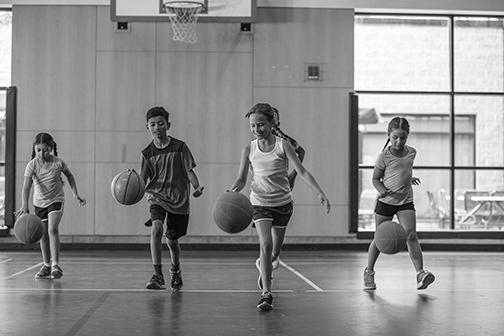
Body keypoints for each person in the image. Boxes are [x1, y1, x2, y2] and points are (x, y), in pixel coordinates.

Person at [229, 102, 330, 310]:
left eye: (261, 124)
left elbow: (302, 171)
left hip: (283, 203)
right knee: (265, 245)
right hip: (259, 203)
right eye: (253, 126)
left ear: (272, 123)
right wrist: (232, 192)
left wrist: (320, 192)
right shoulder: (248, 149)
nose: (257, 129)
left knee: (274, 252)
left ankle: (266, 265)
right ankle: (266, 292)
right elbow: (241, 180)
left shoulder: (283, 146)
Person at [363, 117, 435, 291]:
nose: (399, 141)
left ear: (407, 136)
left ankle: (420, 273)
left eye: (403, 138)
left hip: (405, 201)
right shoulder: (383, 157)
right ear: (389, 135)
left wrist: (410, 178)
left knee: (411, 235)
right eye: (395, 137)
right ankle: (369, 272)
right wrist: (382, 190)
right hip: (386, 202)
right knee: (379, 240)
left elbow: (404, 171)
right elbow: (375, 179)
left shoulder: (412, 153)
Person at [140, 106, 204, 291]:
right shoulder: (147, 153)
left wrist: (196, 186)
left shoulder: (180, 147)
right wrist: (132, 190)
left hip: (178, 198)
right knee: (156, 229)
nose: (157, 127)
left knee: (172, 241)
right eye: (152, 124)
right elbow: (143, 180)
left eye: (160, 123)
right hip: (157, 197)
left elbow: (189, 171)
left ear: (168, 125)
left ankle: (175, 270)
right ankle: (157, 275)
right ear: (147, 127)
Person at [14, 133, 86, 279]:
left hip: (56, 200)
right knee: (43, 234)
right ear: (34, 149)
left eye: (45, 150)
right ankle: (46, 265)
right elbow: (26, 188)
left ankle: (55, 265)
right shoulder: (32, 165)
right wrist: (24, 205)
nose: (42, 153)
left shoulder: (58, 163)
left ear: (51, 148)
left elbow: (70, 176)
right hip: (39, 203)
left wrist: (75, 194)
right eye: (38, 150)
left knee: (52, 229)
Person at [254, 106, 306, 275]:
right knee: (265, 242)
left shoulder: (284, 141)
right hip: (262, 198)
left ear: (276, 123)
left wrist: (293, 175)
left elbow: (301, 151)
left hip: (281, 194)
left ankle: (272, 257)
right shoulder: (255, 144)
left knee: (275, 249)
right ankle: (265, 270)